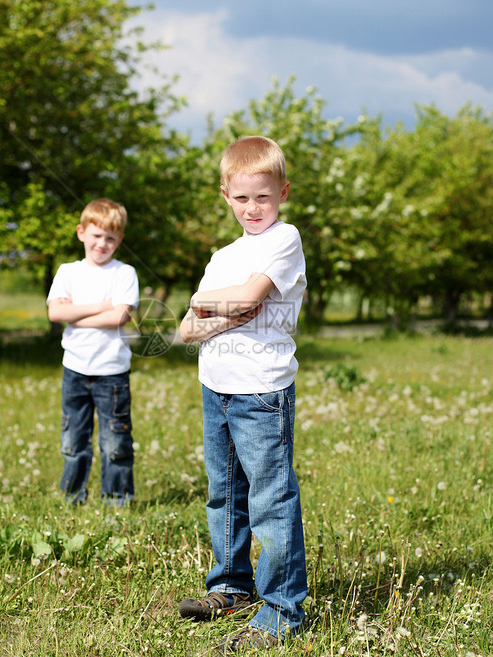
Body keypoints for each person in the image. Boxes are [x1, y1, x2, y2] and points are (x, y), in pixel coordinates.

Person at [177, 136, 308, 652]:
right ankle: (231, 587)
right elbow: (187, 329)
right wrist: (211, 308)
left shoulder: (284, 239)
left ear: (282, 192)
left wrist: (209, 306)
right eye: (242, 198)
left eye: (264, 197)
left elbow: (252, 301)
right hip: (218, 387)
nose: (253, 209)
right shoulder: (223, 255)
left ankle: (282, 610)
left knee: (271, 501)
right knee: (224, 494)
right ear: (225, 196)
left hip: (261, 391)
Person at [47, 198, 139, 506]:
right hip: (75, 368)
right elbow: (55, 314)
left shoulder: (124, 273)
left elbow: (120, 317)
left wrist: (75, 312)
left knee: (115, 439)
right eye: (96, 235)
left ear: (119, 240)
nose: (102, 243)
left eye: (110, 238)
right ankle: (72, 496)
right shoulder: (68, 272)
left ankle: (116, 500)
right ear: (81, 233)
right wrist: (102, 305)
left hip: (111, 372)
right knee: (73, 439)